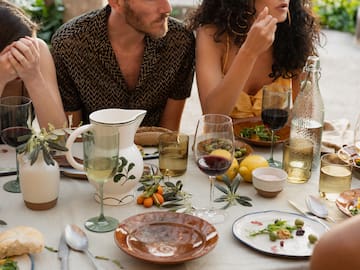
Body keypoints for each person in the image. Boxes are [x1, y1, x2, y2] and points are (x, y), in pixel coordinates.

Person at [51, 0, 195, 131]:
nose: (166, 8)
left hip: (155, 152)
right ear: (116, 2)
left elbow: (169, 134)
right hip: (94, 153)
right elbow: (73, 134)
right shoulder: (70, 44)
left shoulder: (180, 41)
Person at [187, 0, 321, 118]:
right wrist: (249, 52)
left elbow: (307, 116)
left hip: (275, 145)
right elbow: (213, 116)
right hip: (222, 145)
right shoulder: (211, 35)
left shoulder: (295, 34)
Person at [0, 0, 67, 129]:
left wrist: (34, 77)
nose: (21, 60)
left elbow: (58, 136)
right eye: (13, 55)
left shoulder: (35, 51)